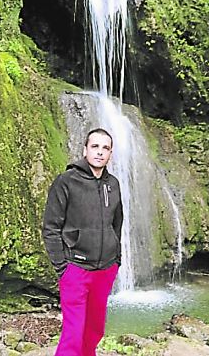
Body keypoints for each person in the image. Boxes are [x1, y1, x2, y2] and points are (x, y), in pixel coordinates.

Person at [43, 128, 123, 356]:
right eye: (94, 146)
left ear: (110, 153)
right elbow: (51, 227)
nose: (99, 152)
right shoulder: (66, 181)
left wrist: (116, 260)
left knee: (95, 330)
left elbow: (117, 223)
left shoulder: (113, 184)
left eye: (105, 148)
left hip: (105, 269)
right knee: (73, 334)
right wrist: (62, 267)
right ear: (85, 150)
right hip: (75, 268)